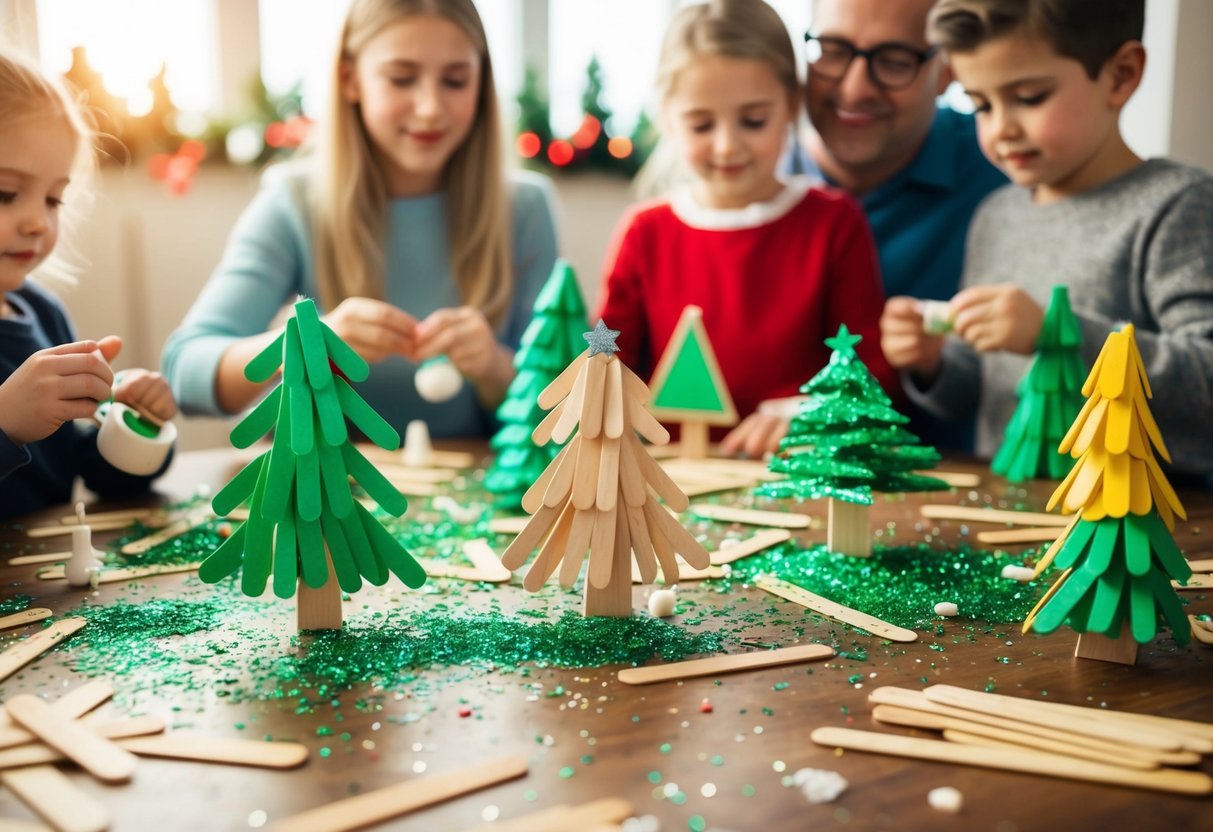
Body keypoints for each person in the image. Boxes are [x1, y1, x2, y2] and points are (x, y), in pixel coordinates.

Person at [162, 0, 559, 438]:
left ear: (481, 82)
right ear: (350, 79)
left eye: (455, 80)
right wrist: (307, 342)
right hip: (327, 501)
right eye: (401, 78)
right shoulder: (294, 201)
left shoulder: (525, 209)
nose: (430, 107)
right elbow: (185, 371)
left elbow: (566, 411)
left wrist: (494, 367)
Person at [880, 0, 1213, 478]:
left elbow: (1205, 386)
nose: (1001, 129)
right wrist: (934, 363)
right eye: (980, 105)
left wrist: (1056, 332)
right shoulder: (995, 216)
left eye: (1030, 96)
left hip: (1136, 537)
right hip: (1013, 518)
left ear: (1120, 76)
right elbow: (985, 391)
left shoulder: (1178, 205)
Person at [595, 0, 896, 459]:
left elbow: (870, 371)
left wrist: (803, 417)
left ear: (791, 106)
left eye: (753, 121)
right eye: (701, 124)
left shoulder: (834, 222)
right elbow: (606, 358)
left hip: (794, 476)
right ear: (668, 117)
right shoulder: (644, 231)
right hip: (671, 481)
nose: (727, 145)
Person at [0, 49, 177, 520]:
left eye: (54, 199)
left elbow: (92, 473)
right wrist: (4, 424)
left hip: (46, 586)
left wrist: (134, 426)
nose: (38, 221)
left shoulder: (43, 313)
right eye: (6, 193)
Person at [797, 0, 1006, 302]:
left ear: (949, 71)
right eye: (833, 51)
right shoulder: (737, 168)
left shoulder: (1005, 167)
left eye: (894, 61)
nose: (855, 91)